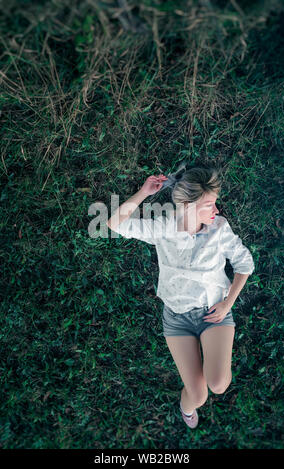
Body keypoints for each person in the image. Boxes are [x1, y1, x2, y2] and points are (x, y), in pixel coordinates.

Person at [106, 163, 255, 429]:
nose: (217, 210)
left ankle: (204, 380)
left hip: (214, 314)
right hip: (177, 320)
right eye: (210, 205)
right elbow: (114, 224)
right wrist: (143, 193)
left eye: (215, 204)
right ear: (187, 205)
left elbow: (245, 264)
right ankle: (185, 407)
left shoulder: (219, 229)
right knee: (197, 395)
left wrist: (227, 303)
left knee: (219, 385)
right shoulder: (164, 228)